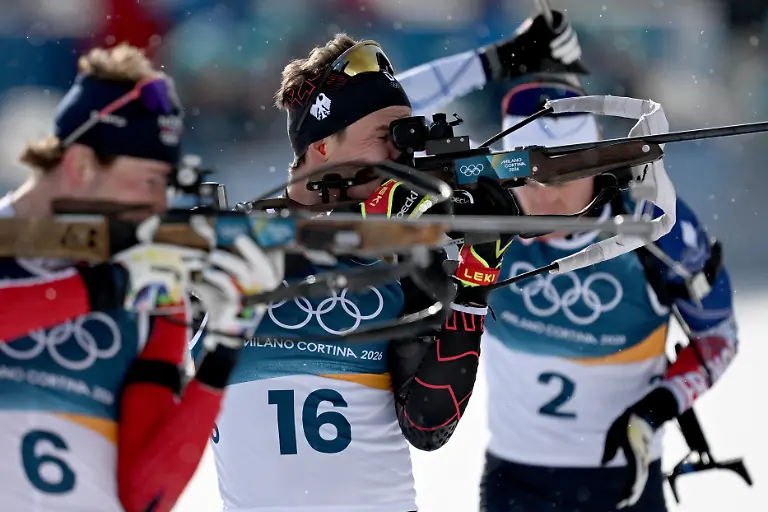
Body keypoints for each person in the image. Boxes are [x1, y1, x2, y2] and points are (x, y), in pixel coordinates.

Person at [190, 15, 583, 512]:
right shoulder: (230, 246)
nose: (405, 153)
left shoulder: (406, 251)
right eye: (387, 135)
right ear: (323, 146)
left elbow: (429, 424)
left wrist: (475, 277)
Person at [0, 43, 284, 512]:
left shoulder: (149, 289)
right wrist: (100, 290)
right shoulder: (127, 279)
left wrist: (225, 346)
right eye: (148, 181)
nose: (157, 207)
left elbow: (146, 495)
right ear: (80, 165)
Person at [477, 74, 738, 510]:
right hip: (516, 480)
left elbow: (718, 338)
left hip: (625, 480)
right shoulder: (480, 225)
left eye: (560, 179)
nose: (544, 200)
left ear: (597, 162)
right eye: (526, 179)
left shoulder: (655, 225)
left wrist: (652, 412)